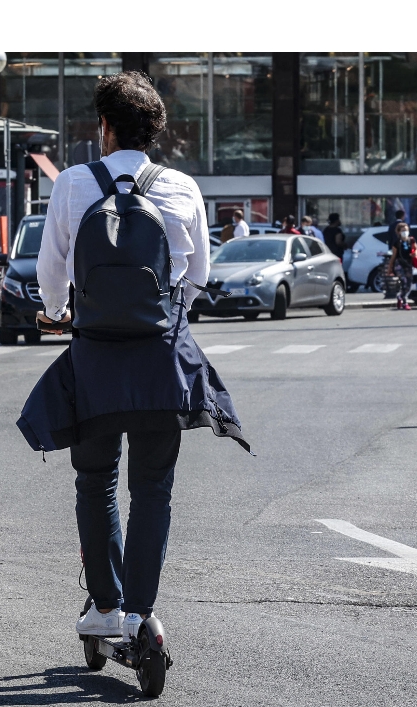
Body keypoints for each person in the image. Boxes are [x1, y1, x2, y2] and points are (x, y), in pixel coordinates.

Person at [18, 71, 249, 645]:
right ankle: (140, 613)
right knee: (153, 488)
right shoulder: (183, 187)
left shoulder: (73, 184)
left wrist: (59, 311)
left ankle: (104, 606)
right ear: (155, 130)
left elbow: (51, 271)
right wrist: (166, 310)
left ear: (105, 126)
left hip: (95, 358)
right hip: (160, 362)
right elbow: (198, 276)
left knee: (95, 481)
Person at [386, 221, 417, 310]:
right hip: (399, 264)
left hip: (408, 263)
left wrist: (415, 253)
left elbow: (416, 249)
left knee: (409, 283)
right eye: (403, 230)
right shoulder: (397, 243)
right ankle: (405, 302)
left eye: (406, 230)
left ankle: (400, 296)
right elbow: (394, 256)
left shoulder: (411, 240)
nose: (405, 232)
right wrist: (390, 268)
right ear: (399, 232)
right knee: (404, 281)